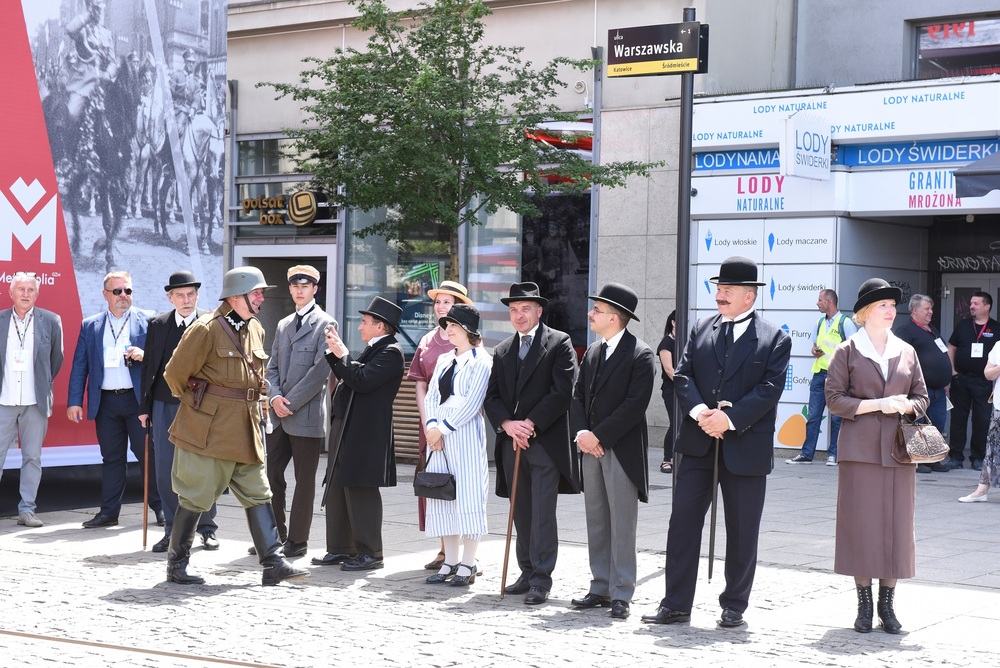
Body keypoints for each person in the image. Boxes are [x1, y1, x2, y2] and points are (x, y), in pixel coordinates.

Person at [642, 256, 791, 628]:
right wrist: (699, 415)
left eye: (728, 290)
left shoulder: (775, 338)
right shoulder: (700, 329)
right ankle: (676, 603)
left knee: (743, 530)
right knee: (683, 524)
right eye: (718, 289)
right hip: (697, 443)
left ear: (749, 296)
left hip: (746, 448)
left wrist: (730, 418)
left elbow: (770, 389)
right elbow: (683, 375)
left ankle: (734, 605)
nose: (719, 296)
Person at [162, 266, 307, 586]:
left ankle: (273, 562)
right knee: (195, 496)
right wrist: (201, 404)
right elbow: (175, 375)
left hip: (245, 427)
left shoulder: (256, 328)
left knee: (258, 492)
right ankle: (177, 563)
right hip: (208, 431)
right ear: (235, 295)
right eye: (256, 292)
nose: (261, 298)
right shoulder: (206, 329)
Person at [825, 278, 929, 634]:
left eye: (892, 305)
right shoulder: (847, 350)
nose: (891, 311)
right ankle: (864, 603)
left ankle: (888, 602)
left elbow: (922, 397)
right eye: (883, 305)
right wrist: (878, 405)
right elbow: (835, 400)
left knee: (896, 529)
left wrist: (907, 406)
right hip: (860, 453)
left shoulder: (906, 350)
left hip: (900, 452)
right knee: (861, 528)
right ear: (867, 312)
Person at [484, 282, 580, 606]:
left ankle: (542, 578)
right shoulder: (502, 350)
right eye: (513, 309)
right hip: (513, 443)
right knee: (520, 511)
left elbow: (562, 392)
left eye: (525, 308)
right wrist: (508, 425)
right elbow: (492, 396)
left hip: (544, 443)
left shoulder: (559, 343)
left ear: (539, 310)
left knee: (541, 513)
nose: (519, 314)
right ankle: (525, 572)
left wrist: (530, 424)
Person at [569, 283, 655, 620]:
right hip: (591, 448)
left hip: (619, 449)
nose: (591, 314)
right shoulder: (592, 351)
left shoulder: (640, 354)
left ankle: (622, 592)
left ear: (615, 318)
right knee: (597, 519)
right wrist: (581, 433)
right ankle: (600, 585)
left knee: (622, 523)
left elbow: (635, 406)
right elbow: (577, 397)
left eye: (598, 310)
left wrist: (598, 436)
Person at [311, 297, 404, 572]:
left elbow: (362, 381)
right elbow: (350, 375)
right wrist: (334, 353)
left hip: (367, 432)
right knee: (339, 484)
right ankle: (341, 547)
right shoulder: (374, 349)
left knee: (361, 487)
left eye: (365, 322)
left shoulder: (391, 352)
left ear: (380, 326)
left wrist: (343, 355)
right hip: (349, 426)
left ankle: (370, 552)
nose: (360, 326)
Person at [68, 271, 162, 528]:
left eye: (128, 291)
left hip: (137, 402)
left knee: (148, 456)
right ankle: (109, 512)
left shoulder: (149, 321)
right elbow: (80, 365)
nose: (123, 296)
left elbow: (161, 361)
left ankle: (161, 507)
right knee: (111, 458)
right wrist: (74, 400)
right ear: (105, 295)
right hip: (106, 402)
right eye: (117, 291)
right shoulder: (91, 325)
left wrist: (145, 354)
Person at [138, 271, 218, 553]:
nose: (186, 300)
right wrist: (145, 408)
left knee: (203, 467)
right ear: (170, 298)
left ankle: (207, 528)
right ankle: (172, 529)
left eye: (191, 294)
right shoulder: (158, 324)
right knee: (165, 468)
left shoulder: (210, 323)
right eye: (180, 295)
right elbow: (149, 368)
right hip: (164, 405)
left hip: (201, 406)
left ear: (197, 296)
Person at [263, 265, 336, 558]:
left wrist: (287, 402)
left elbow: (320, 372)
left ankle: (297, 540)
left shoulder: (325, 324)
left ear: (315, 289)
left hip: (304, 416)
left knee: (304, 481)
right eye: (294, 286)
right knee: (271, 475)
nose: (299, 290)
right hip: (279, 416)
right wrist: (274, 397)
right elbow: (272, 367)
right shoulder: (282, 325)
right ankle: (274, 534)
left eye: (305, 286)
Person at [422, 304, 493, 587]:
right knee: (442, 496)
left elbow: (473, 403)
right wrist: (430, 428)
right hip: (437, 435)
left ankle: (469, 562)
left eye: (454, 325)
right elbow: (431, 397)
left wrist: (442, 429)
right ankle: (449, 560)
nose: (448, 329)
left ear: (469, 331)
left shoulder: (482, 361)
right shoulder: (443, 360)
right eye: (446, 324)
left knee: (469, 495)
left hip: (463, 435)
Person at [406, 280, 474, 570]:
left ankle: (467, 553)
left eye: (448, 302)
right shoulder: (427, 340)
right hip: (430, 421)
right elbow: (421, 385)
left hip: (458, 424)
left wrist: (445, 425)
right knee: (435, 484)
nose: (441, 307)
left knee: (462, 485)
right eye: (438, 302)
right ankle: (444, 549)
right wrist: (427, 423)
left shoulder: (470, 340)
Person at [0, 272, 64, 528]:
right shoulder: (1, 320)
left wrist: (41, 384)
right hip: (3, 401)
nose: (25, 294)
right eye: (21, 289)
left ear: (36, 294)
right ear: (11, 293)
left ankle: (27, 510)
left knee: (32, 458)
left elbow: (55, 360)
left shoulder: (50, 320)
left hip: (34, 402)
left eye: (30, 290)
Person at [786, 290, 856, 466]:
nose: (817, 303)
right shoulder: (819, 323)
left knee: (837, 418)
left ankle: (834, 455)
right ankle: (807, 454)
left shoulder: (846, 323)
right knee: (813, 416)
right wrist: (815, 351)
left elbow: (855, 352)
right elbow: (815, 347)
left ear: (829, 302)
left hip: (838, 378)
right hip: (819, 375)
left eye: (820, 300)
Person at [893, 294, 953, 473]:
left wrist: (945, 379)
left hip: (938, 389)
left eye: (931, 309)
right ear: (915, 310)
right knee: (917, 425)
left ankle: (932, 458)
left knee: (936, 425)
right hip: (919, 389)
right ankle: (917, 460)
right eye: (927, 309)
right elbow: (900, 360)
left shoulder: (932, 329)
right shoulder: (905, 330)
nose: (931, 312)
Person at [946, 292, 998, 471]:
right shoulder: (963, 325)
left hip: (984, 382)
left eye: (976, 303)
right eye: (971, 303)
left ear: (987, 306)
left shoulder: (996, 328)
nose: (972, 306)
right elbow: (951, 347)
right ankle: (956, 457)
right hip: (961, 379)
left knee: (982, 420)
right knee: (958, 419)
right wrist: (953, 372)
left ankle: (978, 457)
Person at [957, 341, 1000, 504]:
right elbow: (988, 374)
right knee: (993, 448)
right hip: (999, 406)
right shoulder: (999, 346)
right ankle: (982, 490)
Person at [657, 311, 677, 474]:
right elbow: (669, 370)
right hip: (672, 390)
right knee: (674, 422)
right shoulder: (666, 343)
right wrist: (686, 384)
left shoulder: (685, 341)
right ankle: (667, 459)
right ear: (673, 322)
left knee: (683, 423)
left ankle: (678, 457)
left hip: (684, 389)